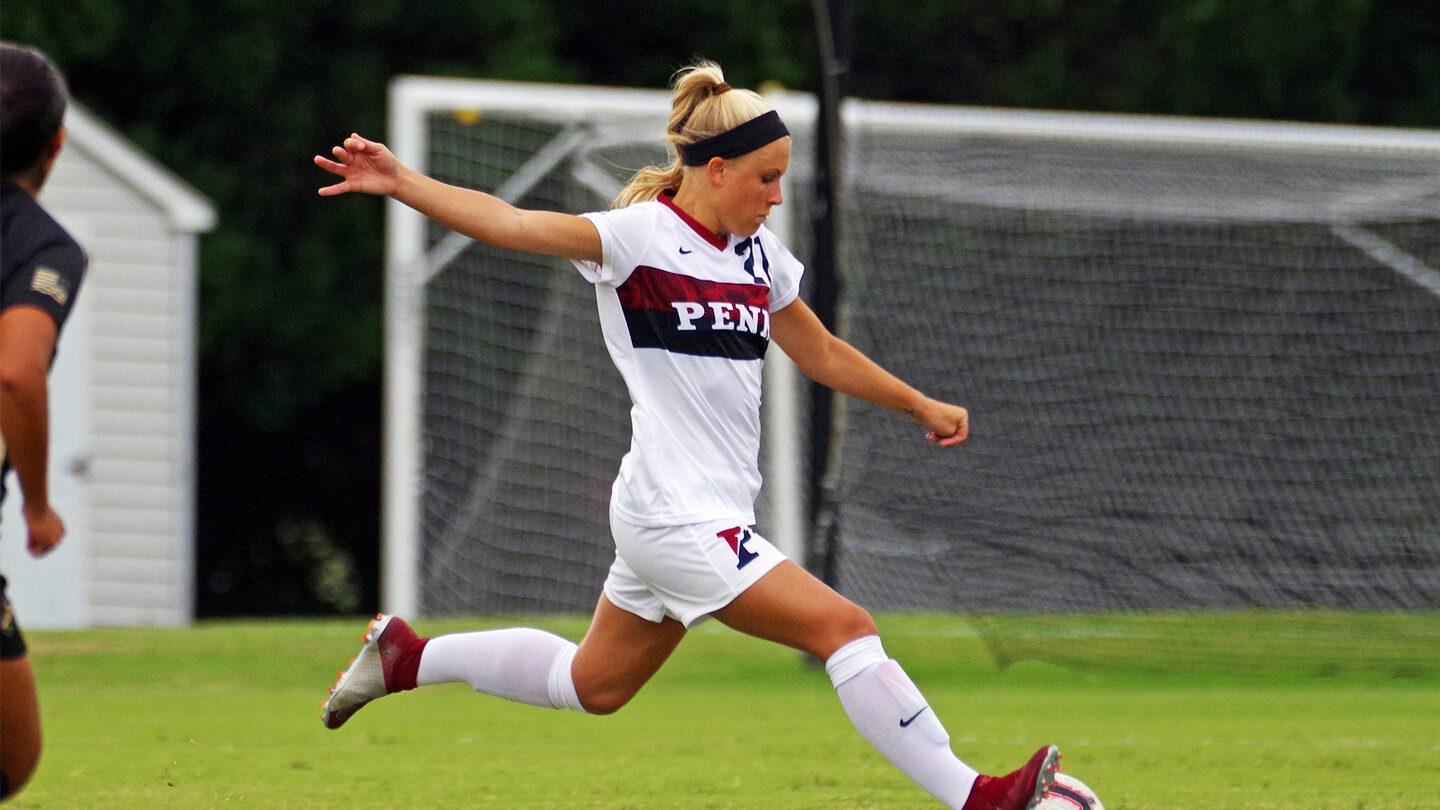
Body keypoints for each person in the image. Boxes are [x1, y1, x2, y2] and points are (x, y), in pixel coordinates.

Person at [316, 60, 1060, 810]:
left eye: (783, 178)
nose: (776, 196)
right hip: (676, 514)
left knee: (594, 685)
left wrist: (917, 403)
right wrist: (404, 182)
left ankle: (409, 658)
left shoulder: (759, 258)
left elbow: (823, 353)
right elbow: (511, 225)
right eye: (765, 179)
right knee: (845, 626)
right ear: (713, 169)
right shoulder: (637, 238)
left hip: (688, 510)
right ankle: (978, 796)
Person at [0, 42, 87, 801]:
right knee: (8, 760)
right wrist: (36, 502)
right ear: (56, 143)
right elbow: (19, 371)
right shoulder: (37, 242)